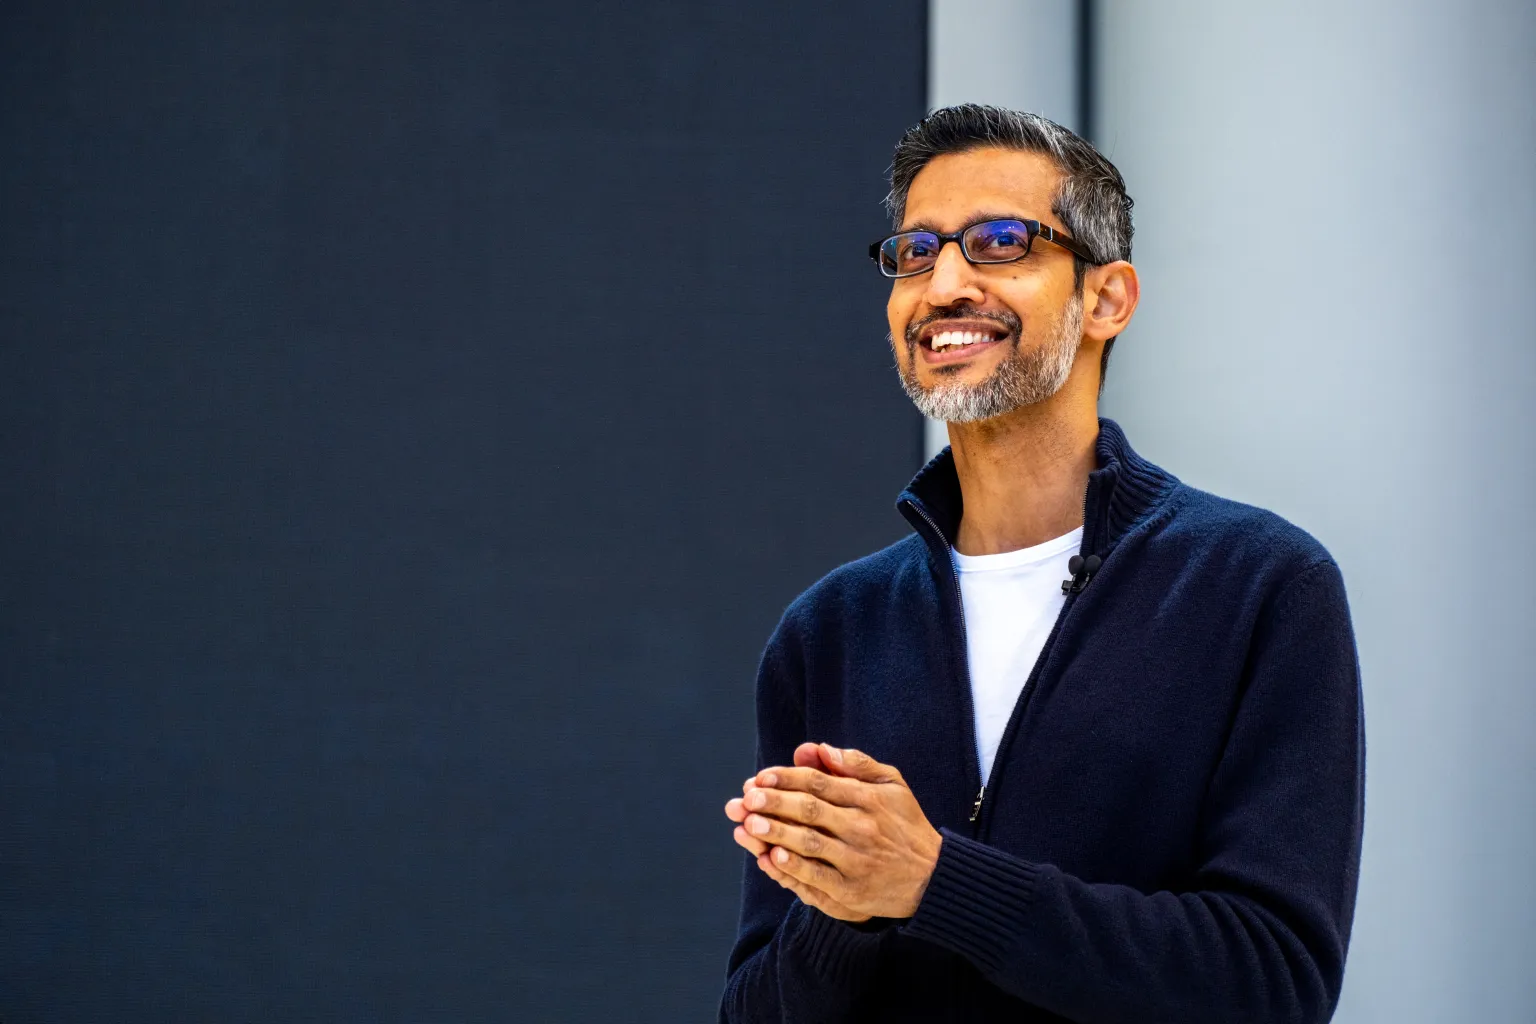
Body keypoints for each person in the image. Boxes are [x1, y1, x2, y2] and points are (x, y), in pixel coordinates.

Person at [718, 104, 1364, 1024]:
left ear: (1106, 299)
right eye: (916, 252)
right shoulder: (830, 631)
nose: (944, 284)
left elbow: (1274, 985)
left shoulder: (1259, 587)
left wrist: (937, 882)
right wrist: (845, 905)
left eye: (999, 243)